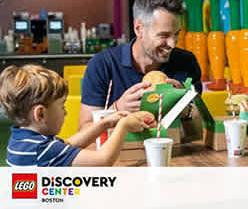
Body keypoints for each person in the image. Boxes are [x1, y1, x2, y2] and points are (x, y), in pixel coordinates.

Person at [79, 0, 202, 141]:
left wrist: (184, 108)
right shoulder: (102, 65)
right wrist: (117, 109)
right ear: (139, 29)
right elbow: (83, 132)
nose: (172, 44)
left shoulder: (187, 63)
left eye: (176, 34)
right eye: (164, 35)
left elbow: (197, 135)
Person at [0, 65, 156, 167]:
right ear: (40, 113)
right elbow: (104, 160)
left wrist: (105, 123)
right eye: (61, 107)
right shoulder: (41, 149)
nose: (65, 112)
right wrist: (124, 126)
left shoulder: (22, 140)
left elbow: (67, 145)